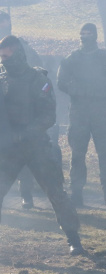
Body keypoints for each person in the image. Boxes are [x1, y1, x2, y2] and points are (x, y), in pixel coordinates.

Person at [0, 36, 85, 255]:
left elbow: (48, 116)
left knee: (56, 191)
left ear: (18, 54)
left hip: (36, 145)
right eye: (2, 57)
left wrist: (24, 134)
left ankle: (73, 239)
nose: (4, 60)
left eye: (7, 56)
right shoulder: (2, 79)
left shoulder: (38, 79)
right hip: (9, 148)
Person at [57, 23, 106, 208]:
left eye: (88, 34)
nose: (85, 37)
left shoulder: (105, 58)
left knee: (105, 154)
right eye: (82, 34)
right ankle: (76, 193)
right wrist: (77, 90)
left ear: (95, 36)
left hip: (101, 110)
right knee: (77, 154)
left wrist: (104, 92)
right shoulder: (72, 59)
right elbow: (61, 82)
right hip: (79, 111)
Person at [0, 10, 60, 210]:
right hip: (5, 127)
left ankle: (26, 194)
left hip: (29, 128)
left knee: (49, 184)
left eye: (5, 23)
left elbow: (34, 68)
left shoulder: (22, 46)